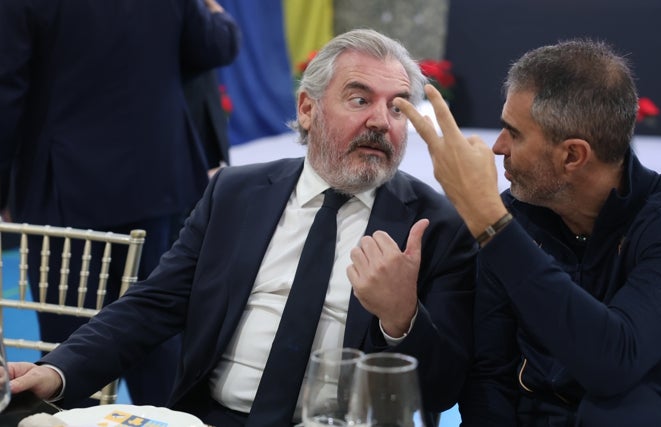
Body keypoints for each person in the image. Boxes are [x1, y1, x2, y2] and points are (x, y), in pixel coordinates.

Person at [8, 29, 476, 426]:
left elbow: (440, 392)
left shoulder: (433, 225)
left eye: (398, 108)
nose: (380, 120)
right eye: (359, 99)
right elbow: (151, 305)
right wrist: (59, 370)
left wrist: (401, 320)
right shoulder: (235, 193)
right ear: (308, 109)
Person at [395, 39, 661, 426]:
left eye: (514, 133)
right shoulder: (515, 218)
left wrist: (489, 221)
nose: (498, 147)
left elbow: (613, 362)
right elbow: (490, 377)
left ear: (572, 155)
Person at [0, 0, 241, 406]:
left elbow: (7, 91)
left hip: (67, 187)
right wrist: (216, 13)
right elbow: (213, 48)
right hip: (158, 177)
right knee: (160, 327)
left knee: (67, 343)